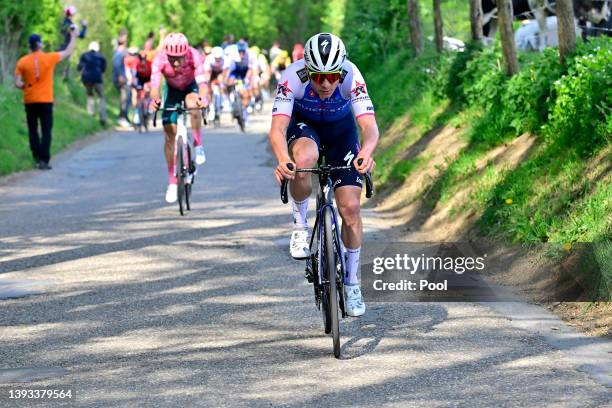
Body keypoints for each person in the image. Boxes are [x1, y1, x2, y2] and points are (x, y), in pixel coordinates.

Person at [268, 33, 379, 317]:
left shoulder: (352, 75)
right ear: (308, 71)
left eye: (332, 76)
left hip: (342, 133)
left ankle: (352, 283)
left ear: (340, 70)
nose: (326, 83)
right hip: (305, 128)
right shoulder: (293, 76)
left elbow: (369, 127)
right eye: (318, 77)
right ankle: (300, 227)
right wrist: (283, 160)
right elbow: (278, 129)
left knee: (351, 208)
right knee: (303, 160)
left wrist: (366, 152)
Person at [149, 33, 209, 203]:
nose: (175, 63)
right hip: (172, 90)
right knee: (169, 134)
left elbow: (203, 83)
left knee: (193, 104)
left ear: (186, 54)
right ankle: (172, 181)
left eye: (179, 59)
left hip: (191, 87)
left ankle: (198, 144)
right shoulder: (159, 58)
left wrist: (202, 98)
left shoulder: (194, 56)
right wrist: (154, 100)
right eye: (172, 58)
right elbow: (155, 85)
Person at [14, 30, 78, 170]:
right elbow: (67, 51)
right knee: (46, 130)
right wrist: (73, 36)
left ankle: (36, 156)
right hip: (45, 100)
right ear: (39, 45)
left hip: (30, 100)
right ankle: (44, 160)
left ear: (30, 46)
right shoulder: (49, 58)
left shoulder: (22, 62)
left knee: (32, 129)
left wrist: (25, 85)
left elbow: (17, 83)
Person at [77, 41, 107, 126]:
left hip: (87, 78)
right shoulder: (101, 57)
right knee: (101, 96)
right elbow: (103, 69)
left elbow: (79, 67)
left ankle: (91, 114)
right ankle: (102, 117)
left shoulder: (84, 55)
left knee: (90, 95)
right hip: (98, 78)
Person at [223, 41, 253, 126]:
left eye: (243, 52)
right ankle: (231, 102)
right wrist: (227, 81)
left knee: (246, 94)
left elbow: (250, 70)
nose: (241, 54)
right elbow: (229, 71)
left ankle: (245, 115)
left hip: (244, 74)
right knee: (229, 84)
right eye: (240, 52)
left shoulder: (249, 56)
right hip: (235, 73)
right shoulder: (233, 57)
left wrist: (247, 79)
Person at [58, 5, 87, 80]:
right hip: (67, 49)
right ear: (72, 15)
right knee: (64, 69)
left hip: (58, 47)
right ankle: (63, 82)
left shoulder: (61, 23)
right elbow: (81, 35)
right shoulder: (72, 26)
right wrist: (84, 26)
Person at [112, 30, 130, 127]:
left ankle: (124, 116)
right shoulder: (119, 51)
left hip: (123, 76)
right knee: (124, 97)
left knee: (126, 97)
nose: (126, 40)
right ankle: (122, 117)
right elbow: (117, 64)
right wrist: (120, 76)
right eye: (125, 37)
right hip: (120, 78)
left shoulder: (122, 50)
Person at [203, 46, 225, 124]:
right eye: (216, 58)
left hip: (220, 72)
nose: (218, 59)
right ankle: (211, 106)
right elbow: (207, 73)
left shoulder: (225, 59)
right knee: (209, 89)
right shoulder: (209, 59)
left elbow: (225, 72)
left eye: (219, 58)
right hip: (211, 72)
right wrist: (208, 82)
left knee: (222, 84)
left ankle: (221, 103)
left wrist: (223, 82)